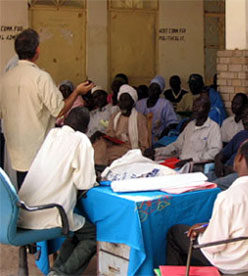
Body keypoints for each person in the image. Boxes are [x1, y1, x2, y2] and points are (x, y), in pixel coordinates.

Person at [166, 138, 248, 274]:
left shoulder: (228, 196)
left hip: (230, 264)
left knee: (176, 232)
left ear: (240, 157)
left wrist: (206, 233)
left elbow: (213, 246)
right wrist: (208, 227)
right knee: (197, 233)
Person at [0, 28, 93, 189]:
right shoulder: (40, 78)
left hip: (15, 151)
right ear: (37, 50)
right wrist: (77, 91)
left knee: (23, 193)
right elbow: (59, 110)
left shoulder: (5, 79)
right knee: (40, 195)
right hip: (38, 152)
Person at [18, 107, 97, 276]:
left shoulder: (52, 135)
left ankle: (56, 271)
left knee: (76, 229)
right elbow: (84, 182)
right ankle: (61, 274)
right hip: (48, 212)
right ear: (85, 129)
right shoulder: (81, 140)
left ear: (66, 121)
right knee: (91, 234)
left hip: (23, 211)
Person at [147, 95, 222, 167]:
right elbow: (177, 145)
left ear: (207, 109)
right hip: (181, 163)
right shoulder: (190, 125)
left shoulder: (213, 127)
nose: (195, 109)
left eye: (199, 106)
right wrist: (156, 151)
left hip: (197, 166)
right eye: (194, 106)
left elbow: (214, 152)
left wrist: (191, 160)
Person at [93, 85, 150, 166]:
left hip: (130, 148)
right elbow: (110, 134)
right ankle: (98, 165)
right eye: (121, 100)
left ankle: (98, 166)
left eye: (126, 100)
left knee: (106, 154)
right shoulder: (114, 116)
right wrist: (104, 136)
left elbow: (144, 142)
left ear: (132, 102)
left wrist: (144, 153)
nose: (123, 103)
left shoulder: (139, 118)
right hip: (115, 145)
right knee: (99, 140)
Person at [136, 76, 178, 143]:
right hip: (140, 138)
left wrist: (163, 135)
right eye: (151, 88)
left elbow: (173, 122)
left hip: (158, 139)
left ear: (160, 92)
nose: (152, 91)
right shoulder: (139, 104)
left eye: (156, 89)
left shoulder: (165, 104)